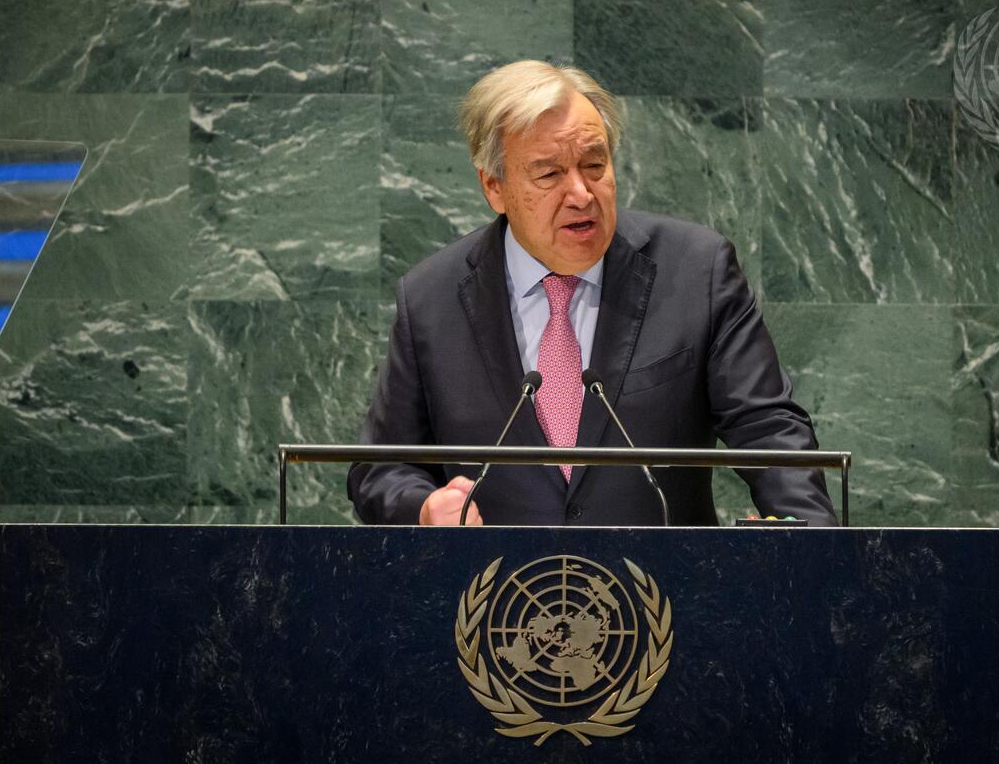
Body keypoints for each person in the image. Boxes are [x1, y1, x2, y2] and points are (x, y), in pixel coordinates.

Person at [353, 60, 837, 527]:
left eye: (594, 164)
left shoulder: (697, 271)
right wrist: (423, 508)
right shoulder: (430, 299)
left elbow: (769, 430)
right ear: (494, 187)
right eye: (549, 174)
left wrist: (813, 547)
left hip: (664, 581)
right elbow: (380, 467)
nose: (582, 194)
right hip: (497, 583)